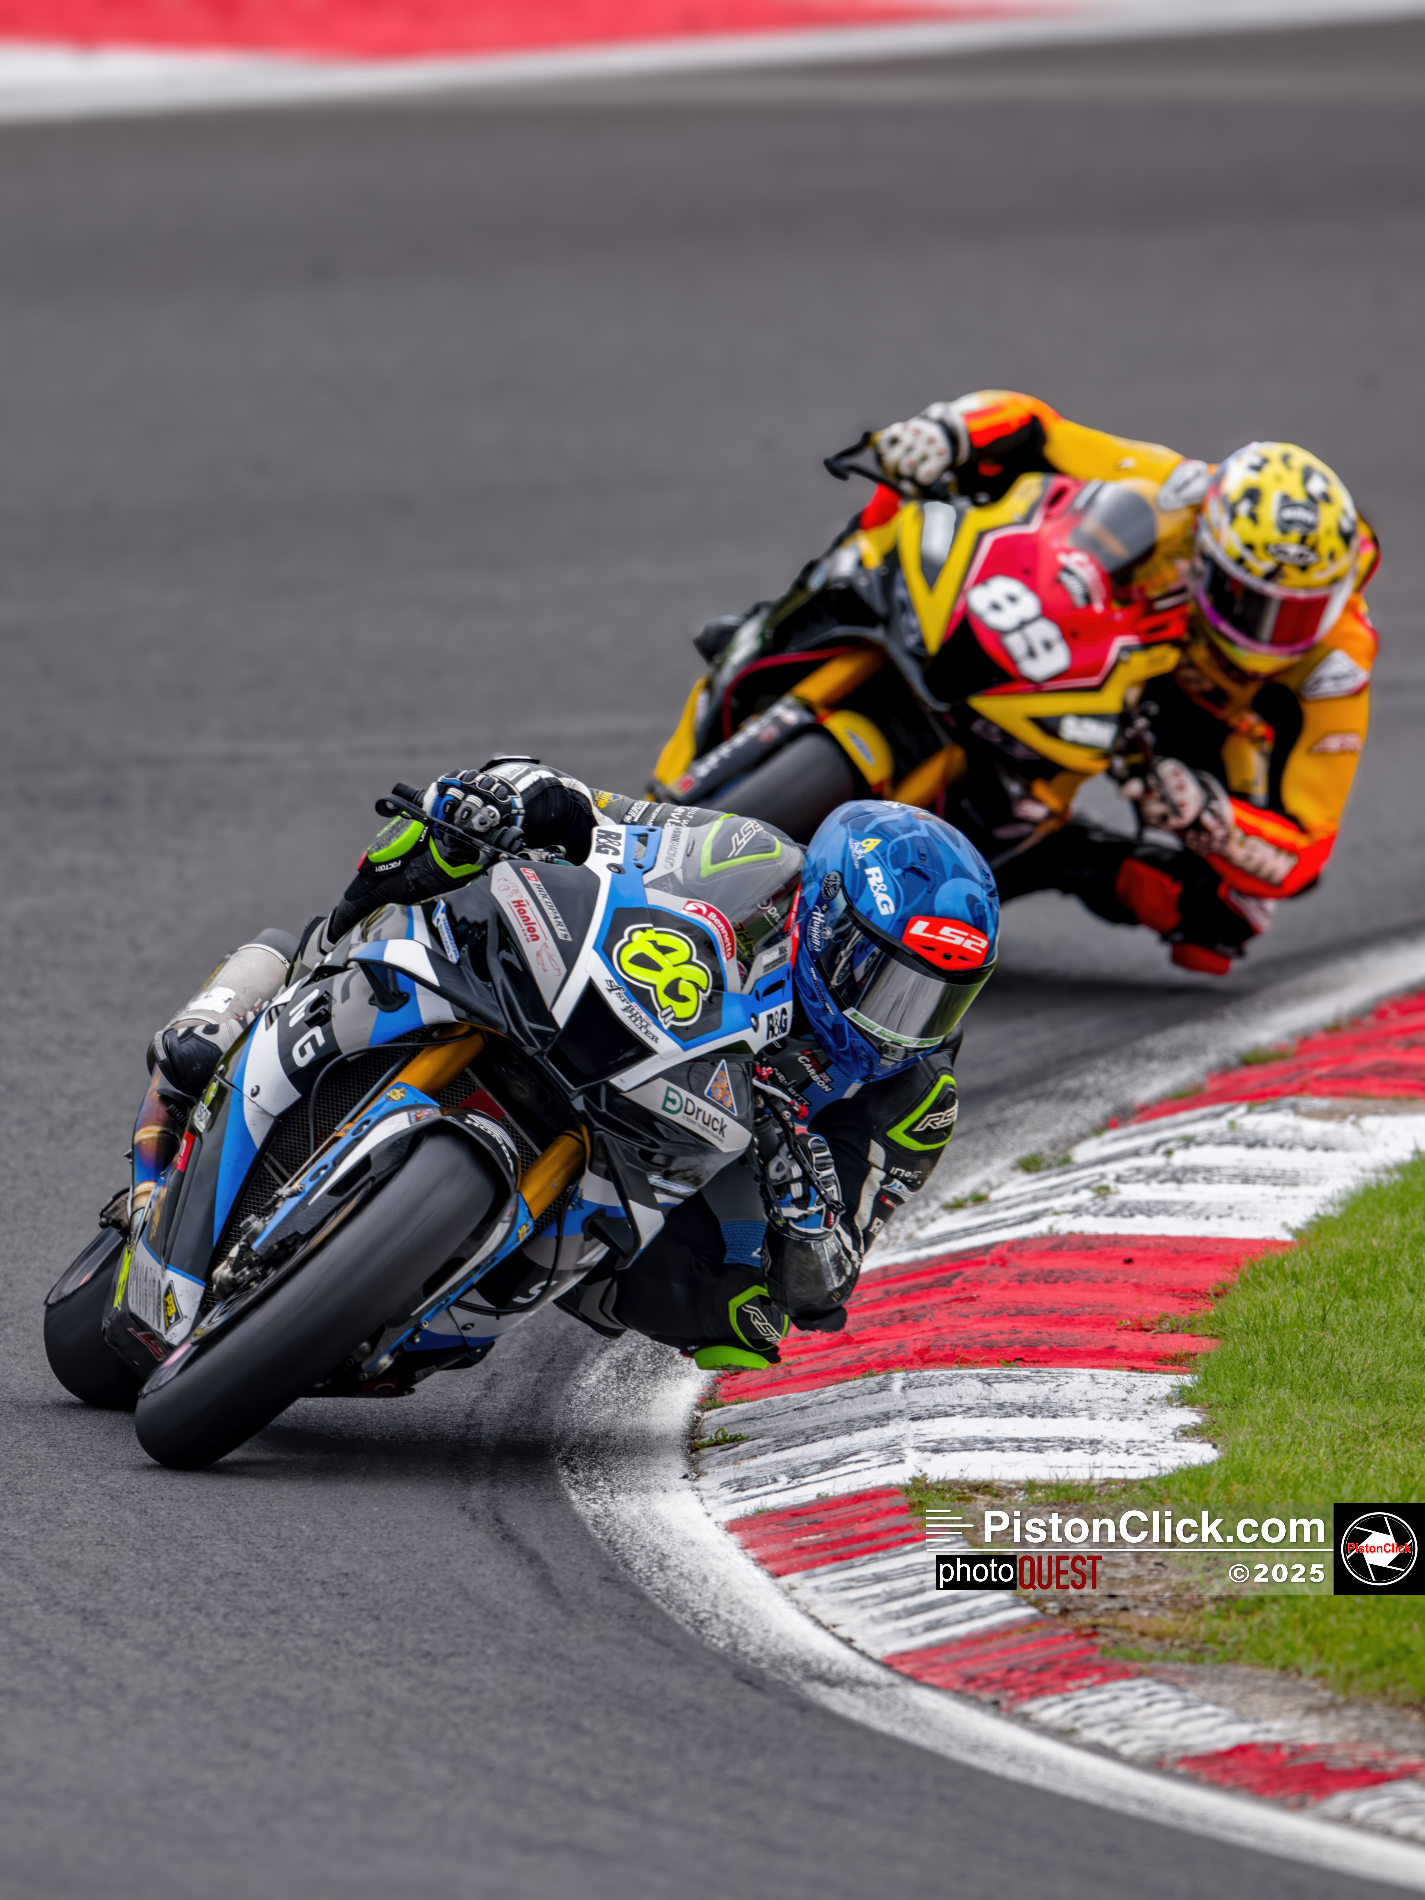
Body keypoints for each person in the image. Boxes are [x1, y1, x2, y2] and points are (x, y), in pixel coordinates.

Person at [304, 759, 999, 1371]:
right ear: (827, 921)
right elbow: (602, 813)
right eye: (887, 981)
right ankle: (287, 988)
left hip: (680, 1156)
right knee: (436, 852)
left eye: (937, 1000)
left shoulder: (916, 1099)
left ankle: (470, 1279)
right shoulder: (750, 860)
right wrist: (519, 798)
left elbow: (823, 1287)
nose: (902, 1022)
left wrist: (806, 1214)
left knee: (746, 1322)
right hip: (587, 1003)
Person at [872, 392, 1379, 974]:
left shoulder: (1336, 664)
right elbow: (1041, 430)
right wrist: (950, 431)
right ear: (1209, 550)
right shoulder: (1182, 491)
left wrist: (1215, 818)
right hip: (1110, 638)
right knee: (919, 498)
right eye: (1250, 601)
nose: (1264, 634)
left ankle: (1039, 854)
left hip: (1202, 728)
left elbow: (1306, 849)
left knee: (1234, 912)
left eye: (1294, 615)